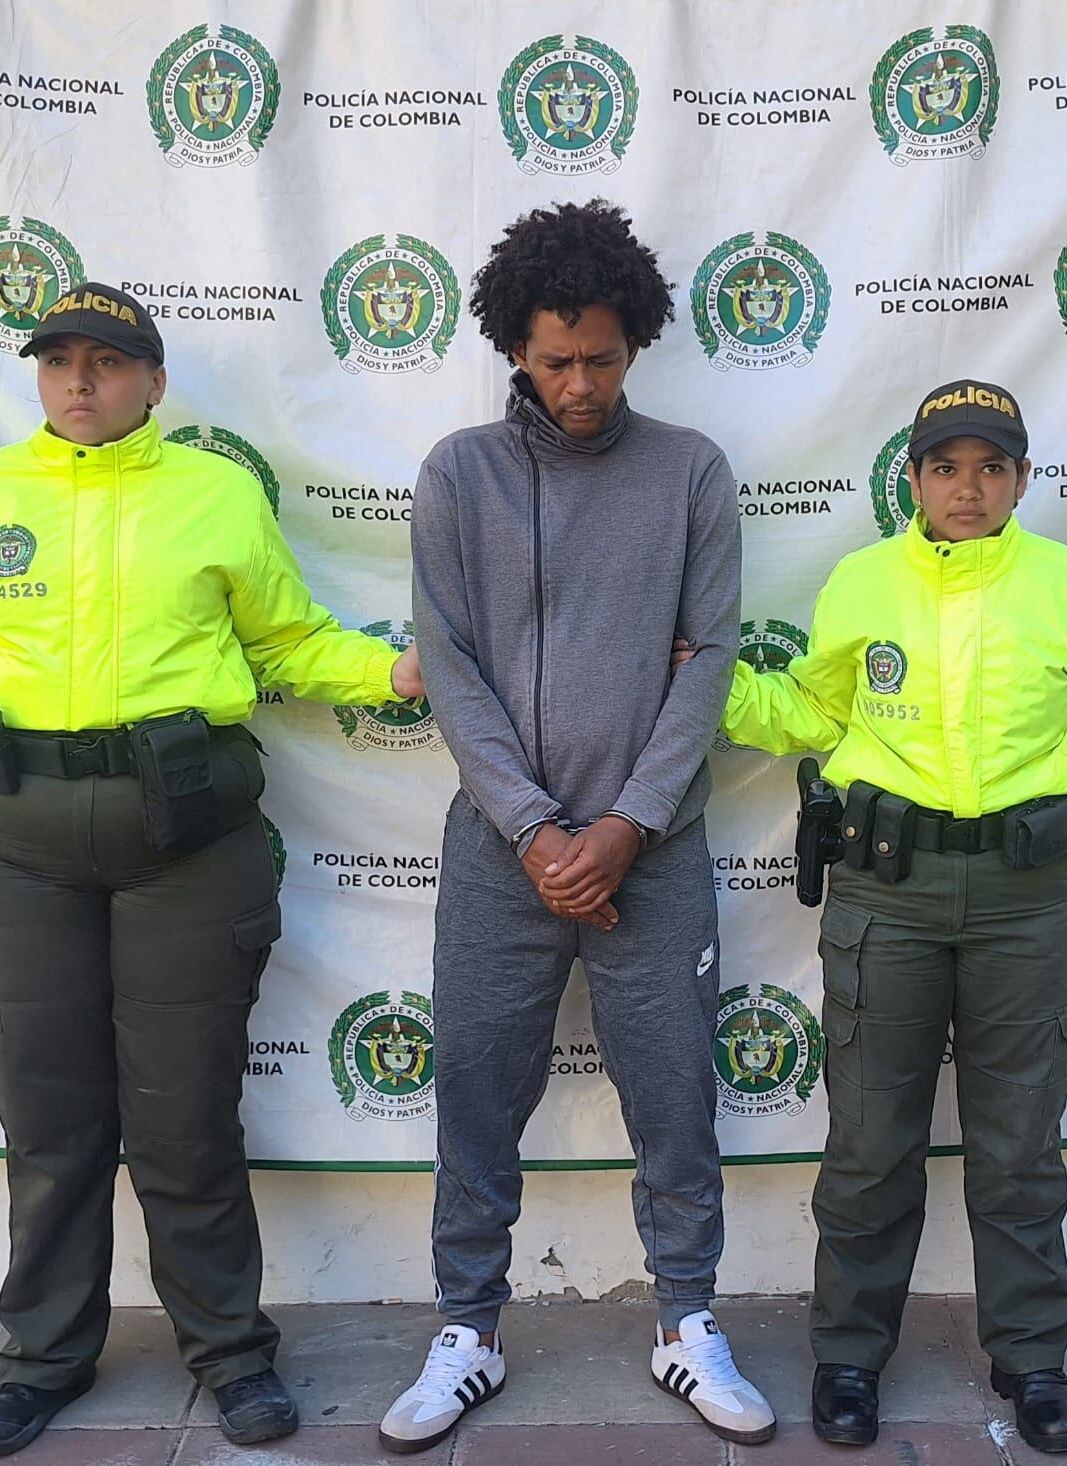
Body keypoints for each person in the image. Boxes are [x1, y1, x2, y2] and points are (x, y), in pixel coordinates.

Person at [0, 282, 423, 1456]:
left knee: (184, 1119)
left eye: (109, 363)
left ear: (154, 382)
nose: (81, 382)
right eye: (61, 361)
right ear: (39, 375)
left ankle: (230, 1352)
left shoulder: (214, 495)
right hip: (19, 848)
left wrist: (395, 670)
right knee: (50, 1119)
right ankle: (41, 1359)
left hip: (185, 846)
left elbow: (286, 640)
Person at [377, 200, 775, 1455]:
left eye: (600, 356)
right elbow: (447, 660)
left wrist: (627, 825)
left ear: (634, 341)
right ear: (514, 347)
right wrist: (541, 832)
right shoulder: (459, 474)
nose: (580, 382)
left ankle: (687, 1318)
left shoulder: (692, 470)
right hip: (501, 855)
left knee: (671, 1095)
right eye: (555, 359)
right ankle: (467, 1329)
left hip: (649, 856)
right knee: (477, 1092)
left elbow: (709, 656)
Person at [686, 379, 1067, 1454]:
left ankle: (1030, 1359)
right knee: (869, 1136)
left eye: (990, 466)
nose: (967, 487)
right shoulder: (863, 584)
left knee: (1018, 1144)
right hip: (886, 890)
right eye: (946, 467)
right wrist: (714, 684)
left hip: (1027, 899)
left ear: (1022, 477)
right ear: (914, 478)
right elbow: (812, 709)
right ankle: (846, 1353)